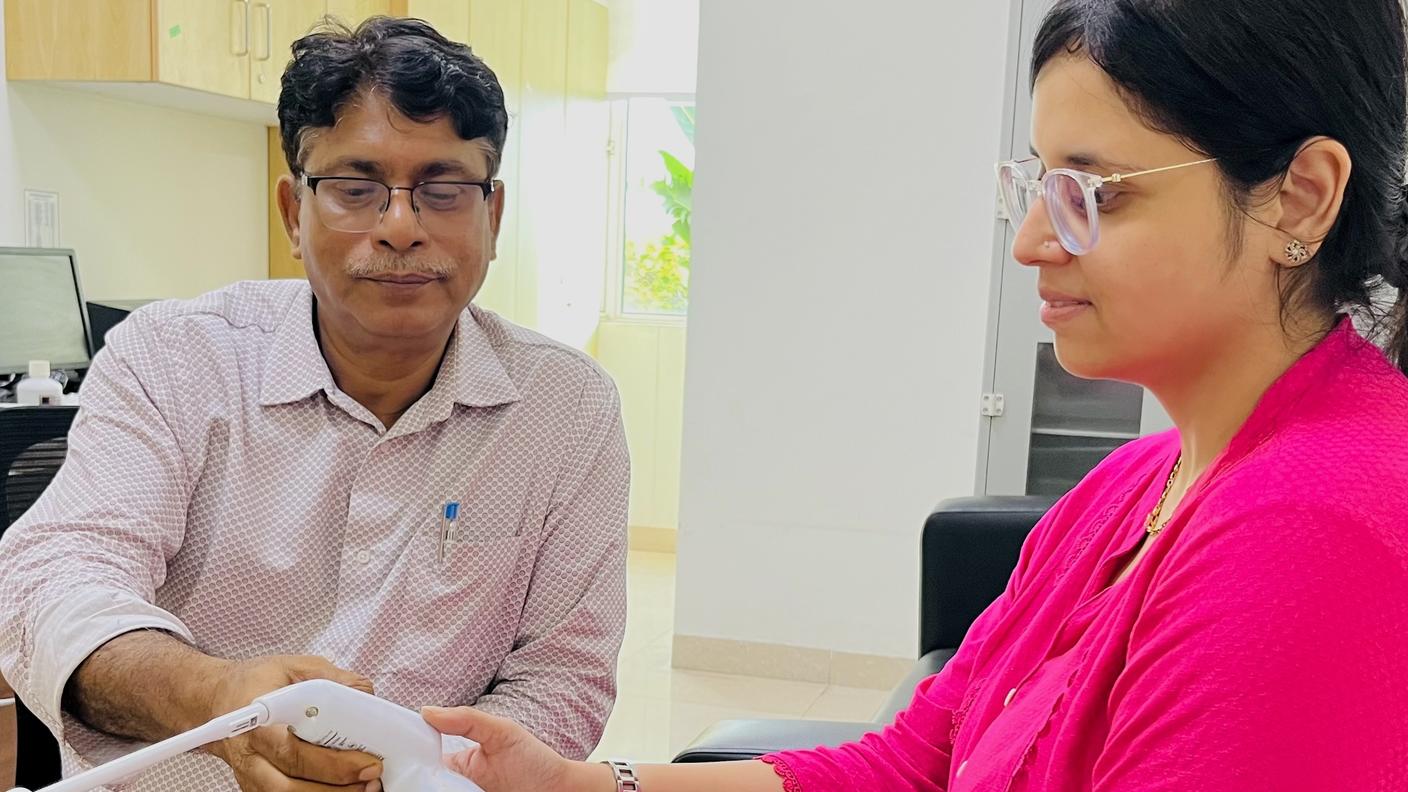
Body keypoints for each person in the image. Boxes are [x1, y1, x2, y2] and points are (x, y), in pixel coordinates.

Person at [417, 0, 1408, 789]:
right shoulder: (1136, 483)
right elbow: (917, 759)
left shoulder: (1309, 528)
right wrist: (580, 786)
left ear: (1301, 196)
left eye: (1093, 194)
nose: (1029, 243)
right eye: (1034, 187)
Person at [0, 16, 629, 792]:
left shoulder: (565, 408)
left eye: (442, 189)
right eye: (356, 189)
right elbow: (57, 579)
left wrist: (407, 777)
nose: (400, 227)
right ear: (294, 214)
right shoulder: (173, 357)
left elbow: (563, 674)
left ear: (491, 218)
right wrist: (216, 700)